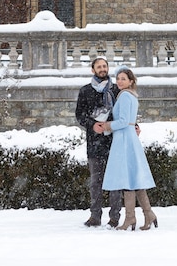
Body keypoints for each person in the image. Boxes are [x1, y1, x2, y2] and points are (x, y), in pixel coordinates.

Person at [94, 66, 157, 231]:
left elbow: (122, 121)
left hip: (124, 140)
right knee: (133, 179)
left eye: (123, 78)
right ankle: (147, 214)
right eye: (118, 78)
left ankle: (131, 218)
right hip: (127, 137)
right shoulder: (130, 96)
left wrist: (106, 125)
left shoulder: (124, 96)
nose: (120, 81)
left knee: (127, 179)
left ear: (130, 81)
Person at [75, 57, 122, 227]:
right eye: (99, 67)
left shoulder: (116, 90)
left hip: (114, 142)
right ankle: (95, 216)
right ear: (92, 70)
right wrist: (92, 125)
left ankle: (115, 217)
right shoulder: (85, 91)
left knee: (115, 181)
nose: (102, 69)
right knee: (96, 182)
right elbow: (80, 115)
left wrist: (135, 126)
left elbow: (125, 114)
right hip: (94, 143)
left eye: (104, 66)